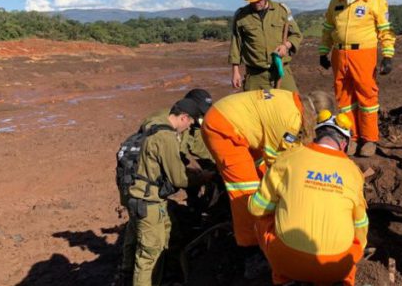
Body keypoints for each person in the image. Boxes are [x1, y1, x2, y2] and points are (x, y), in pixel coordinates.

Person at [248, 110, 368, 285]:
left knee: (262, 219)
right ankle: (344, 280)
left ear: (316, 136)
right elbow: (361, 224)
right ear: (343, 145)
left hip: (288, 261)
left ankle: (284, 279)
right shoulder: (353, 172)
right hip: (335, 267)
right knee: (354, 235)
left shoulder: (288, 158)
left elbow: (256, 208)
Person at [200, 89, 321, 252]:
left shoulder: (292, 101)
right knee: (245, 188)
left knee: (261, 172)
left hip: (240, 123)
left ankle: (265, 220)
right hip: (222, 128)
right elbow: (277, 160)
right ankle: (251, 242)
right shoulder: (290, 121)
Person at [124, 98, 212, 286]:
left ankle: (133, 276)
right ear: (184, 117)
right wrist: (203, 177)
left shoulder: (155, 128)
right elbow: (178, 179)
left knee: (152, 241)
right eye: (190, 123)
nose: (189, 128)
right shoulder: (167, 137)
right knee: (149, 255)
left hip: (141, 198)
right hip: (149, 203)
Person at [318, 0, 396, 157]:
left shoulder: (375, 1)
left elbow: (385, 30)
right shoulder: (335, 2)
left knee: (366, 97)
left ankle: (369, 139)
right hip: (339, 54)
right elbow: (328, 29)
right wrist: (323, 51)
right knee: (343, 98)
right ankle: (350, 136)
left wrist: (387, 55)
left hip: (364, 54)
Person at [230, 0, 303, 92]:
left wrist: (286, 46)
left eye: (258, 0)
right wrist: (235, 71)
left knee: (294, 106)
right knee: (255, 110)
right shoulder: (241, 17)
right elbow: (236, 46)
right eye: (252, 1)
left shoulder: (282, 11)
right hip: (255, 76)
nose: (255, 3)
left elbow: (296, 35)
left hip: (281, 71)